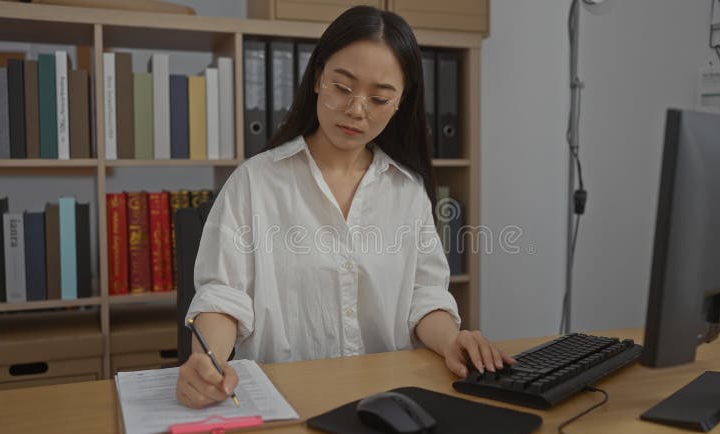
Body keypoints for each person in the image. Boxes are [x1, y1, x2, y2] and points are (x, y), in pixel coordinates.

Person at [176, 5, 514, 409]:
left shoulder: (406, 192)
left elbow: (425, 298)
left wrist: (452, 341)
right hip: (283, 401)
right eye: (343, 86)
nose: (357, 110)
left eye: (379, 98)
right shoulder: (256, 181)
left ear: (400, 103)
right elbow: (223, 296)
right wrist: (205, 359)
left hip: (388, 399)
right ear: (318, 77)